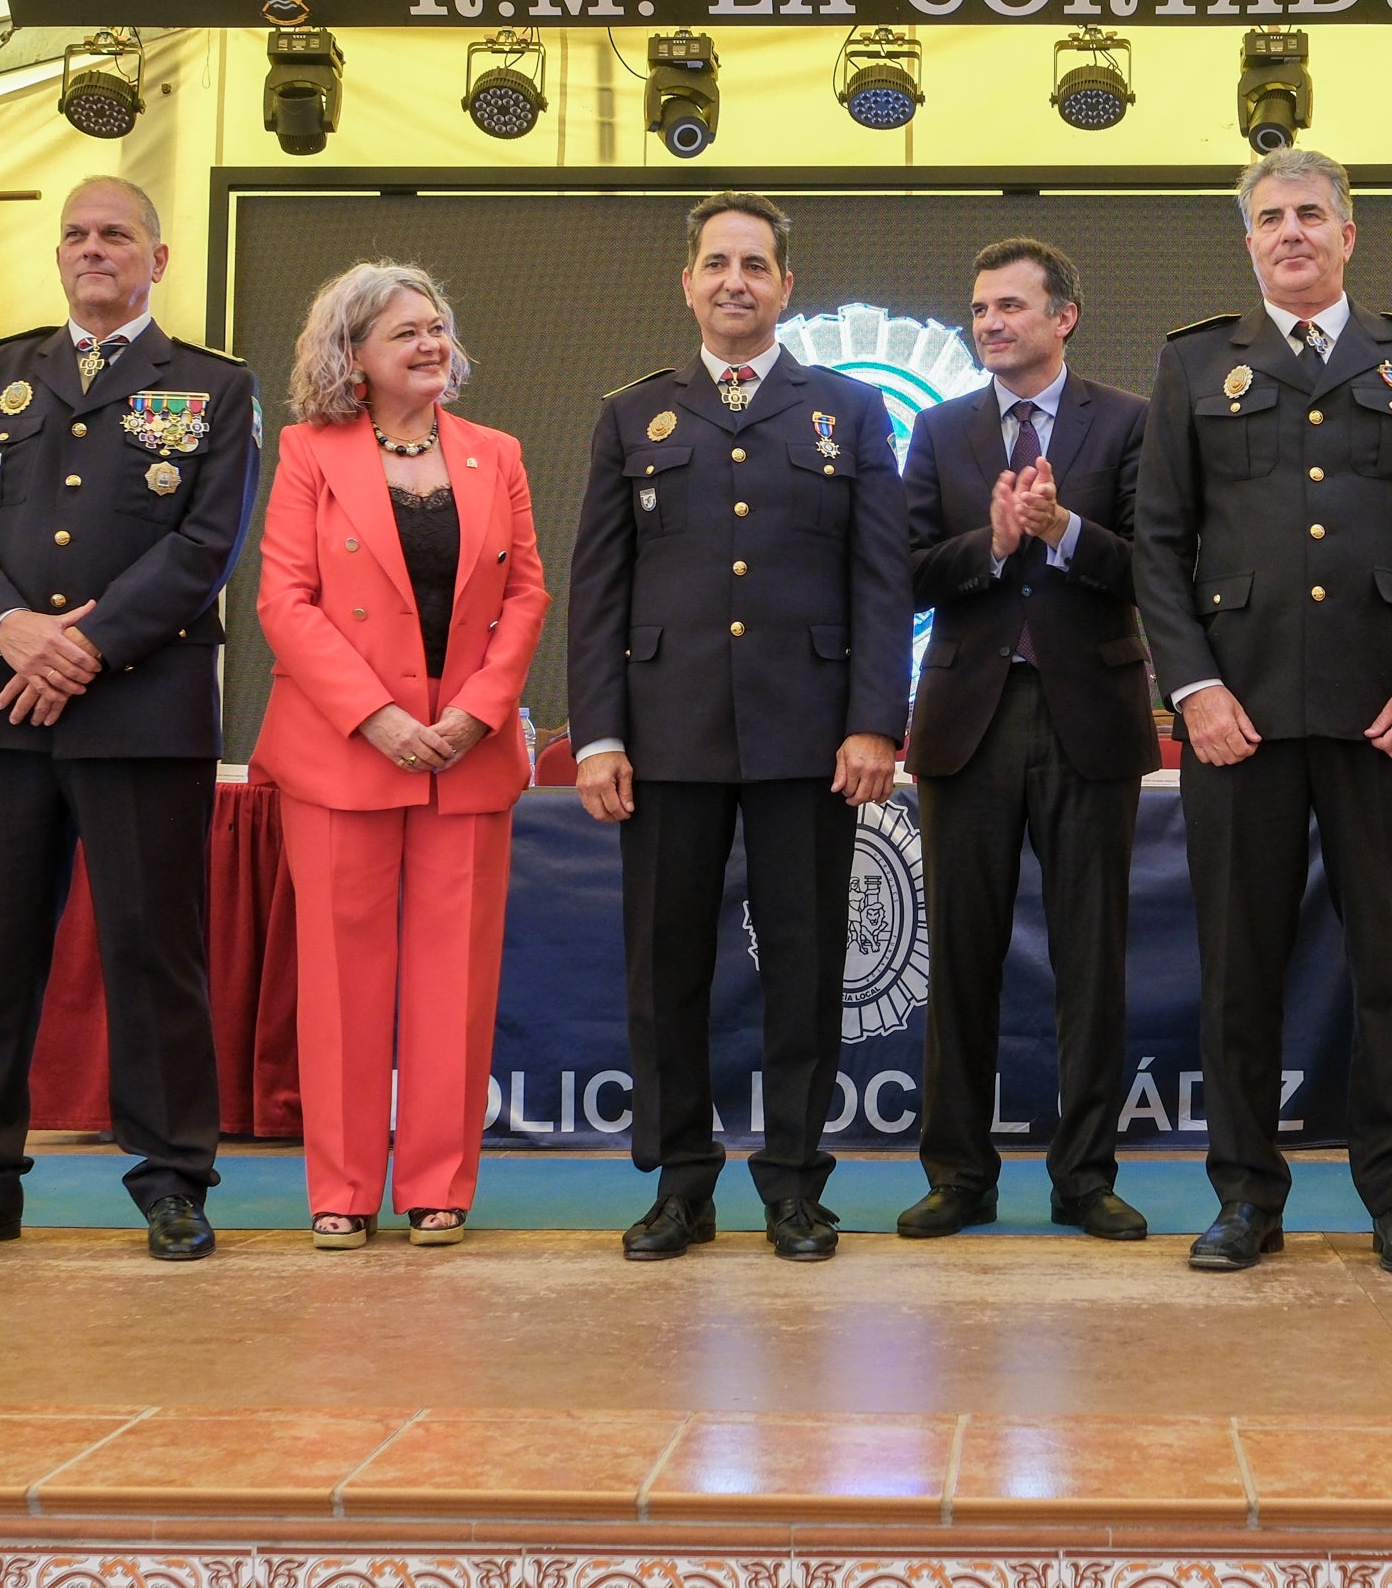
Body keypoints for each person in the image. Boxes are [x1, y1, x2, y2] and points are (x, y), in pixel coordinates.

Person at [1136, 148, 1392, 1278]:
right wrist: (1195, 692)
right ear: (1249, 242)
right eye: (1271, 218)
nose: (1291, 232)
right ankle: (1245, 1196)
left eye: (1311, 215)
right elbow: (1161, 546)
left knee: (1391, 966)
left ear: (1348, 234)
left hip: (1384, 718)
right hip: (1236, 720)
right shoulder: (1197, 366)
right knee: (1240, 968)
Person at [0, 175, 258, 1262]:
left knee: (154, 950)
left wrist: (86, 648)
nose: (93, 250)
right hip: (9, 704)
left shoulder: (209, 387)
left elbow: (205, 547)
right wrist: (13, 631)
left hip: (141, 708)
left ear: (157, 259)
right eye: (77, 236)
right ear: (59, 258)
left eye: (115, 236)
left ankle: (172, 1180)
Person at [566, 191, 910, 1263]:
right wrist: (598, 734)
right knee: (666, 967)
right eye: (716, 263)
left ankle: (797, 1186)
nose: (734, 282)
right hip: (664, 736)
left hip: (811, 738)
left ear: (785, 288)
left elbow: (880, 585)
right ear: (688, 282)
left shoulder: (846, 412)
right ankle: (679, 1185)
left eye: (755, 265)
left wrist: (873, 725)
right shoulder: (634, 413)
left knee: (805, 967)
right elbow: (599, 592)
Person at [250, 262, 549, 1249]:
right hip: (344, 752)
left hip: (467, 752)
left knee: (452, 983)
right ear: (353, 358)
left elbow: (526, 597)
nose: (430, 344)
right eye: (404, 333)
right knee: (341, 982)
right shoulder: (307, 454)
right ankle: (339, 1189)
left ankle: (438, 1188)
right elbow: (282, 603)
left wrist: (476, 712)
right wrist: (376, 716)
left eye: (437, 326)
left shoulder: (495, 454)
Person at [896, 238, 1156, 1243]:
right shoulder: (941, 430)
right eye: (979, 309)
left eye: (1012, 306)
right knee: (962, 956)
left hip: (1090, 715)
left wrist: (1064, 534)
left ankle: (1085, 1177)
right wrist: (997, 544)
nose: (992, 323)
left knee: (1093, 959)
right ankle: (959, 1175)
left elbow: (1152, 569)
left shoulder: (1129, 423)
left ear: (1064, 316)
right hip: (968, 723)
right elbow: (911, 572)